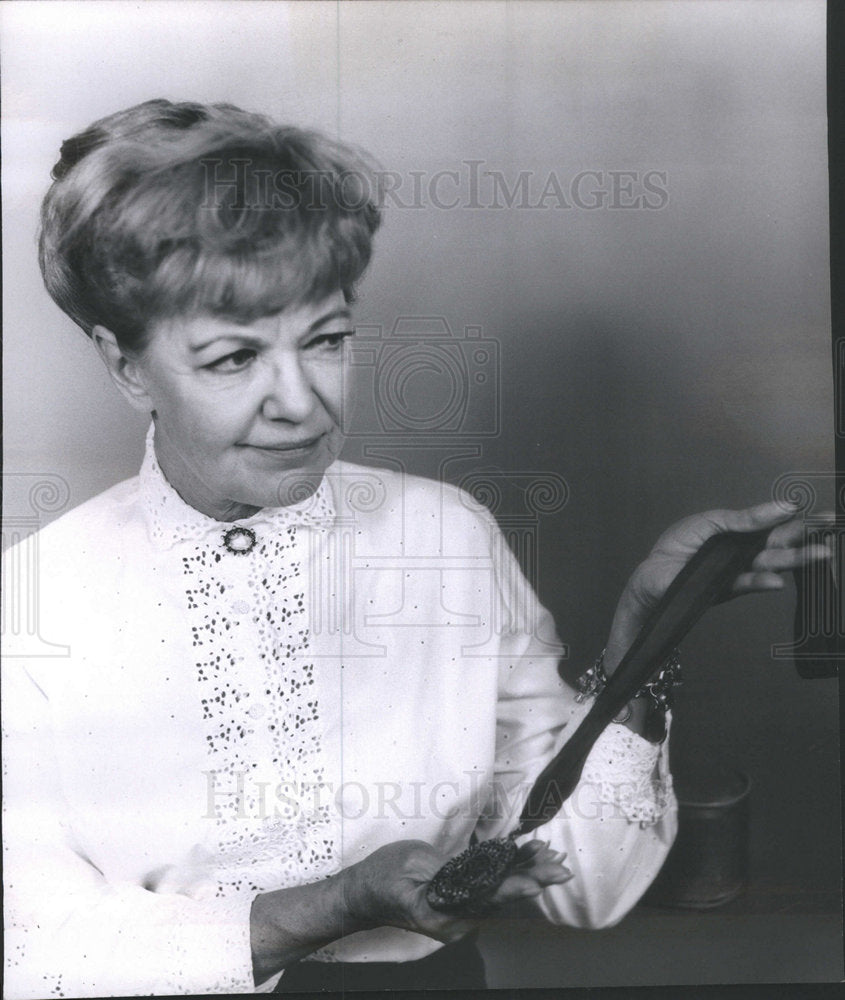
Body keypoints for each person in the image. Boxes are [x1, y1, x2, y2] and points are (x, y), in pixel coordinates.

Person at [2, 99, 827, 998]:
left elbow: (584, 881)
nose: (302, 404)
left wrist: (644, 636)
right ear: (125, 365)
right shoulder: (38, 597)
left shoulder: (443, 535)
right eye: (233, 358)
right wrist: (331, 905)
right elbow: (32, 948)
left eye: (326, 340)